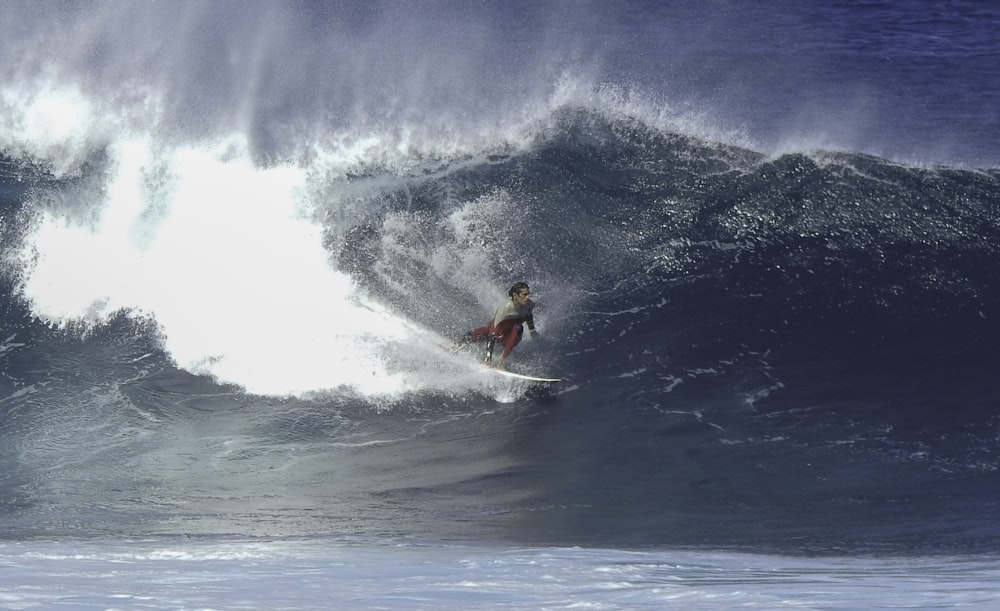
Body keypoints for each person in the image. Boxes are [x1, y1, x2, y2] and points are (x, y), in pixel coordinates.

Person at [463, 282, 539, 371]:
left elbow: (528, 316)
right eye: (524, 295)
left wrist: (532, 330)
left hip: (511, 334)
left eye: (528, 294)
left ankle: (500, 363)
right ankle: (459, 344)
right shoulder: (505, 308)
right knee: (477, 335)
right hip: (499, 331)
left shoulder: (529, 305)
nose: (527, 297)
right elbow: (492, 335)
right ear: (515, 295)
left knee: (518, 328)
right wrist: (488, 359)